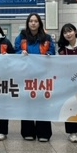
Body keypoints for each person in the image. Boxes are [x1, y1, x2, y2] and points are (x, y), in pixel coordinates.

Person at [15, 13, 55, 142]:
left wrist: (49, 54)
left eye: (36, 21)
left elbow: (53, 52)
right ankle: (28, 132)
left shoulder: (47, 38)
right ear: (28, 23)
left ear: (39, 23)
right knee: (27, 103)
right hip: (26, 75)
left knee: (42, 103)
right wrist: (21, 53)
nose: (33, 23)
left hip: (43, 75)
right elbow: (15, 51)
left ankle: (44, 133)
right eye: (31, 21)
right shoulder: (21, 37)